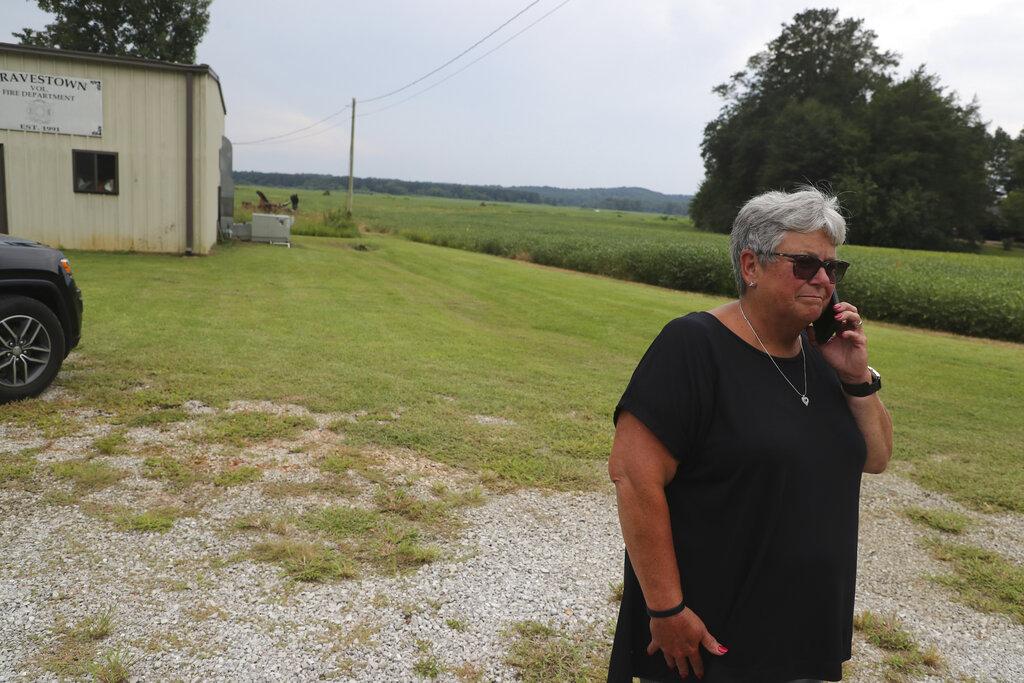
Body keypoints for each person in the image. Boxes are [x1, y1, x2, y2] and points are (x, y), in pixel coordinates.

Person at [607, 187, 893, 683]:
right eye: (806, 264)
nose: (823, 279)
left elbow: (876, 457)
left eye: (833, 267)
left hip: (805, 629)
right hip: (712, 633)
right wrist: (666, 609)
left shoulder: (824, 356)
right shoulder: (693, 346)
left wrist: (855, 377)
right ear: (750, 265)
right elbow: (634, 478)